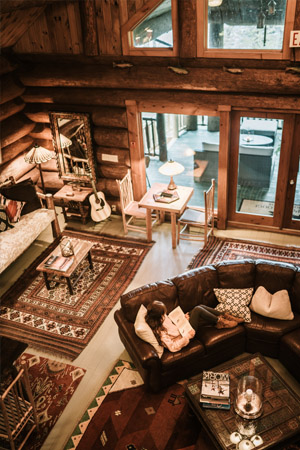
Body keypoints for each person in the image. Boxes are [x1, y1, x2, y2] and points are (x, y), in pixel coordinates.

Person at [145, 301, 244, 353]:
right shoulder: (160, 332)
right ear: (157, 317)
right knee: (198, 310)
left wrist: (183, 318)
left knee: (200, 306)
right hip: (186, 335)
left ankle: (227, 316)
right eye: (163, 314)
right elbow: (173, 347)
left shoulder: (162, 317)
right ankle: (222, 322)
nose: (165, 315)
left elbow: (172, 324)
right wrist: (187, 336)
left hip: (182, 327)